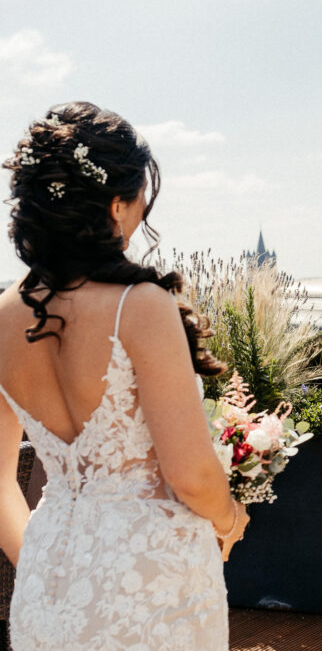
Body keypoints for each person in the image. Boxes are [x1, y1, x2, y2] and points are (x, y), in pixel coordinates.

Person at [0, 102, 247, 649]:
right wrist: (231, 520)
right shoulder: (140, 305)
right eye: (140, 203)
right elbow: (191, 476)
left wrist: (44, 565)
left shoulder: (1, 318)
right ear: (115, 205)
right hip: (155, 592)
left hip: (46, 586)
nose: (139, 221)